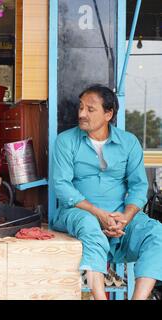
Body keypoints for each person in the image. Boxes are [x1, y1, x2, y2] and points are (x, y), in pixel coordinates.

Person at [51, 84, 162, 300]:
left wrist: (126, 217)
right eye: (81, 107)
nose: (82, 114)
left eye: (90, 109)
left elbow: (139, 186)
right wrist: (98, 213)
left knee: (156, 231)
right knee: (90, 225)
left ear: (108, 114)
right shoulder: (66, 141)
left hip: (120, 215)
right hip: (77, 211)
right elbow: (62, 187)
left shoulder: (128, 142)